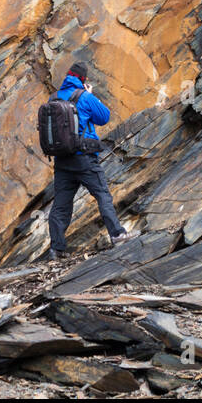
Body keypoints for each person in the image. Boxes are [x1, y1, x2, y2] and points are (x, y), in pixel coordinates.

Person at [47, 62, 125, 260]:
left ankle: (57, 249)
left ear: (67, 77)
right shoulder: (84, 96)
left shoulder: (53, 98)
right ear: (83, 80)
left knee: (61, 204)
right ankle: (117, 234)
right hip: (84, 159)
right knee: (102, 195)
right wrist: (89, 94)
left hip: (62, 161)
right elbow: (104, 117)